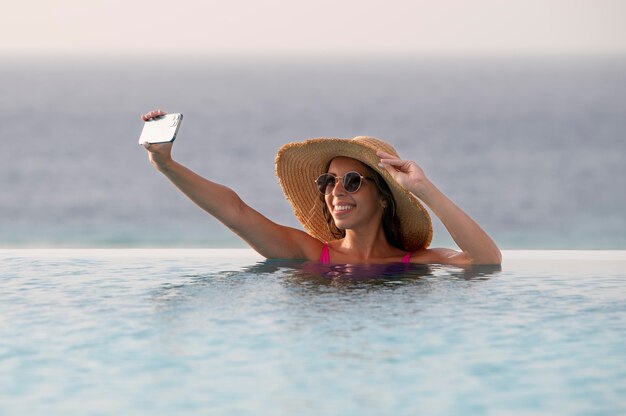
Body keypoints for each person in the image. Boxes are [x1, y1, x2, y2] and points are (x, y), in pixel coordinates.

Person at [141, 109, 501, 266]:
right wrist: (166, 164)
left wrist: (423, 188)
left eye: (353, 181)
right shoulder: (310, 253)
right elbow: (236, 211)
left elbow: (486, 260)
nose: (336, 191)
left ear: (384, 198)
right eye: (328, 181)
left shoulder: (418, 262)